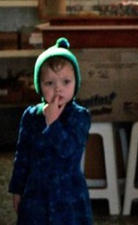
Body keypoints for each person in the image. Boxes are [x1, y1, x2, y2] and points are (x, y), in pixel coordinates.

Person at [9, 37, 92, 224]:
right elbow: (22, 155)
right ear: (40, 85)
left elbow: (69, 151)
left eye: (66, 82)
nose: (58, 90)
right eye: (49, 83)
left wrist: (53, 123)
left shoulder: (79, 116)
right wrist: (17, 189)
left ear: (75, 83)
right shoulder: (31, 116)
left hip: (69, 194)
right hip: (35, 193)